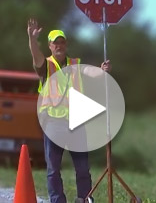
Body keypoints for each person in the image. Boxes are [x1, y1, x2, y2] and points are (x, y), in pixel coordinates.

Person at [27, 18, 111, 203]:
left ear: (66, 44)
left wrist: (102, 70)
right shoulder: (45, 66)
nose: (59, 45)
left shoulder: (75, 63)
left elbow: (90, 72)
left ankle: (84, 199)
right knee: (53, 169)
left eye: (62, 42)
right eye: (55, 43)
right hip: (53, 123)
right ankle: (57, 200)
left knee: (82, 168)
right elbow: (35, 55)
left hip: (76, 122)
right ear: (49, 46)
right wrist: (32, 39)